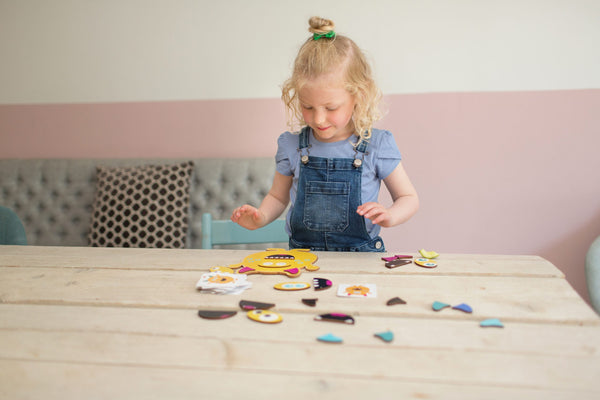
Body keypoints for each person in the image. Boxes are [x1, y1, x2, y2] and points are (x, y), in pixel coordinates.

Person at [231, 16, 418, 252]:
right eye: (307, 106)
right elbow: (278, 197)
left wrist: (390, 215)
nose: (318, 119)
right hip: (303, 259)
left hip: (361, 259)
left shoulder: (376, 145)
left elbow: (408, 198)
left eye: (331, 108)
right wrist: (261, 217)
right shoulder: (291, 146)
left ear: (358, 96)